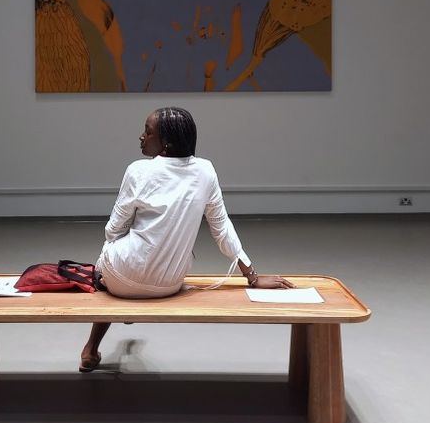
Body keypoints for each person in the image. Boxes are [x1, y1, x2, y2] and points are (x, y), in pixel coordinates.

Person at [80, 107, 294, 371]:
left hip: (122, 279)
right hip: (169, 283)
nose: (141, 137)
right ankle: (127, 301)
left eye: (148, 132)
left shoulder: (137, 171)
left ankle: (91, 347)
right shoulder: (205, 171)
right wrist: (252, 276)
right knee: (133, 256)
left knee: (109, 248)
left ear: (166, 143)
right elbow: (221, 227)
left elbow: (112, 230)